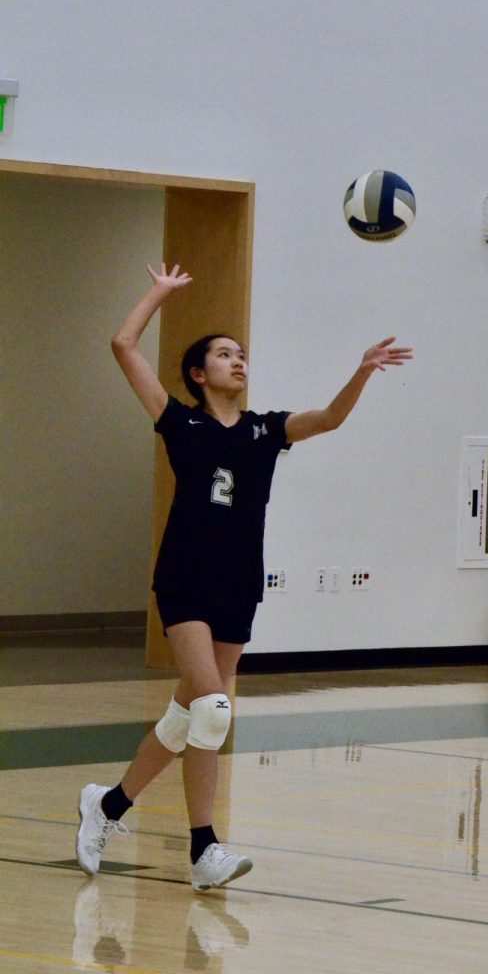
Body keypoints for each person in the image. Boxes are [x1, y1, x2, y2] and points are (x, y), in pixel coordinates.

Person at [75, 262, 412, 892]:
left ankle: (109, 805)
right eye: (224, 355)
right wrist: (160, 292)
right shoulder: (180, 421)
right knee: (212, 707)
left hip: (239, 582)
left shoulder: (265, 431)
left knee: (194, 716)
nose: (239, 362)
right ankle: (204, 849)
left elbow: (331, 418)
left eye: (243, 355)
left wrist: (362, 371)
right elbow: (123, 346)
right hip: (185, 578)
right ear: (199, 374)